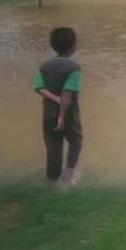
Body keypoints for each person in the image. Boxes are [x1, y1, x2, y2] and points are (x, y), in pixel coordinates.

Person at [34, 27, 84, 186]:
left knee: (53, 145)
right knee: (75, 141)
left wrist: (54, 98)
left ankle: (52, 177)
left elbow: (38, 88)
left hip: (48, 114)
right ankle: (68, 177)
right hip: (69, 115)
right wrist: (62, 115)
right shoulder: (74, 68)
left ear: (53, 45)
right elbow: (67, 94)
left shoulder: (44, 66)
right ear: (73, 45)